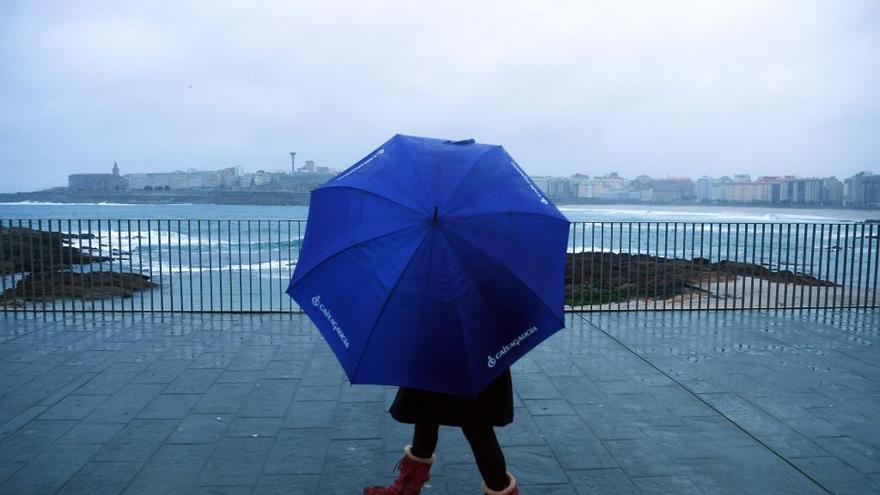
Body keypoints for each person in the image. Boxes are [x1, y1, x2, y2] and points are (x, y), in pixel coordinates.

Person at [363, 369, 519, 495]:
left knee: (476, 424)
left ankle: (407, 486)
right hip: (444, 346)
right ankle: (408, 486)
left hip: (470, 354)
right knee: (426, 409)